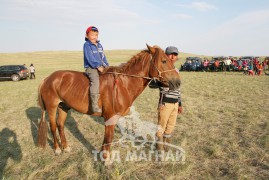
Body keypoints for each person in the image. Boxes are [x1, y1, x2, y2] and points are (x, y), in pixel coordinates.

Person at [149, 46, 182, 152]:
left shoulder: (176, 70)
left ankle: (166, 145)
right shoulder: (161, 69)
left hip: (175, 104)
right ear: (165, 56)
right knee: (161, 127)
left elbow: (178, 88)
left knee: (170, 127)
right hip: (165, 103)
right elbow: (151, 84)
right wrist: (158, 81)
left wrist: (179, 103)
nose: (173, 57)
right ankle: (159, 148)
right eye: (170, 54)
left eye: (175, 54)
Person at [83, 26, 109, 113]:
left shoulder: (99, 45)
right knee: (95, 82)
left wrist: (106, 66)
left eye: (96, 35)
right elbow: (89, 58)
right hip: (92, 68)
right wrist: (98, 66)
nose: (94, 37)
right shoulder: (87, 45)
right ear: (87, 35)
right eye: (92, 35)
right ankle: (94, 104)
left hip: (102, 67)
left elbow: (103, 57)